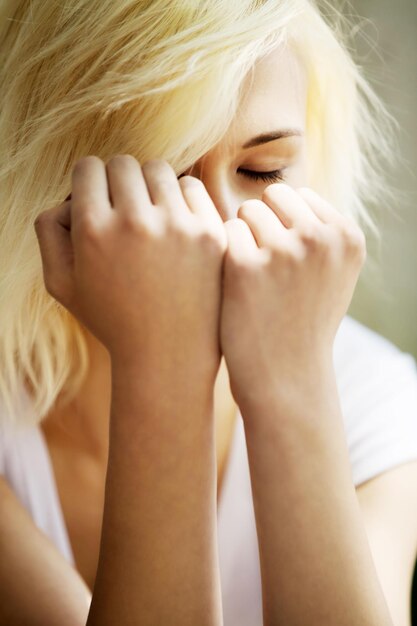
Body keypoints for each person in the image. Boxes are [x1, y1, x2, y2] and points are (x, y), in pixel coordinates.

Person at [1, 1, 417, 625]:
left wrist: (295, 385)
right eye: (162, 181)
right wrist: (164, 368)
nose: (219, 230)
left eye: (263, 170)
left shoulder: (374, 398)